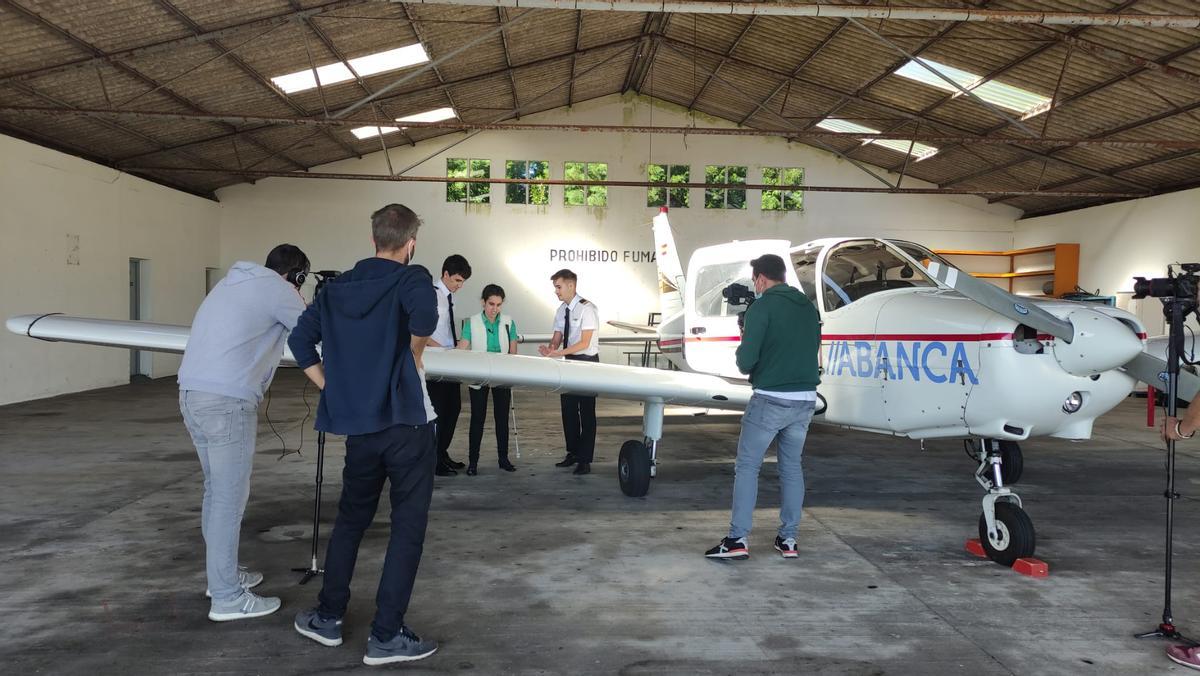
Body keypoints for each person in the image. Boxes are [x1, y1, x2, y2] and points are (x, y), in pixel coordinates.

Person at [288, 204, 440, 666]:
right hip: (408, 426)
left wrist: (331, 386)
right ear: (410, 242)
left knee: (351, 520)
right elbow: (426, 321)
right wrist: (412, 356)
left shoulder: (336, 289)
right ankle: (386, 636)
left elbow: (299, 342)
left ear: (374, 238)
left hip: (360, 428)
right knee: (406, 530)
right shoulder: (412, 278)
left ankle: (328, 616)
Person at [177, 244, 309, 622]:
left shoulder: (231, 283)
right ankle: (227, 597)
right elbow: (312, 330)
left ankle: (222, 577)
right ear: (296, 276)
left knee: (216, 491)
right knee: (228, 499)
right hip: (226, 402)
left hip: (192, 394)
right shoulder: (278, 291)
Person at [705, 253, 820, 561]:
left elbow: (745, 362)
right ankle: (789, 539)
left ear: (760, 279)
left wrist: (745, 333)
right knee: (791, 468)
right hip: (806, 400)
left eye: (754, 280)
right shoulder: (807, 307)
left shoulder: (762, 307)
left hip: (770, 399)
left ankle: (737, 538)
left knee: (747, 467)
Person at [538, 269, 600, 475]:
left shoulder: (587, 309)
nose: (556, 291)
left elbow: (584, 342)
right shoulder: (561, 310)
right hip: (569, 362)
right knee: (568, 410)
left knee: (587, 413)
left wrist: (558, 353)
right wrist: (551, 348)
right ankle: (572, 452)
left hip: (587, 363)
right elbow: (557, 335)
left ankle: (585, 460)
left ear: (571, 286)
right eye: (555, 287)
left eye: (558, 286)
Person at [457, 284, 519, 476]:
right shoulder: (471, 322)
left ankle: (503, 459)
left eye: (499, 305)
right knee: (477, 419)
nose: (495, 309)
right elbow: (462, 348)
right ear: (483, 302)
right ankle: (473, 462)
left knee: (502, 419)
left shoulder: (508, 322)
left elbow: (513, 352)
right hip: (479, 375)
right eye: (491, 304)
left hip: (501, 376)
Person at [427, 254, 472, 476]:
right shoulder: (432, 296)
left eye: (462, 281)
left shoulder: (446, 297)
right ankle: (434, 460)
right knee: (439, 413)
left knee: (453, 409)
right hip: (436, 364)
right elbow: (421, 332)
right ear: (445, 274)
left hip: (449, 361)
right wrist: (441, 350)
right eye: (457, 280)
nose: (459, 286)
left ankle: (442, 453)